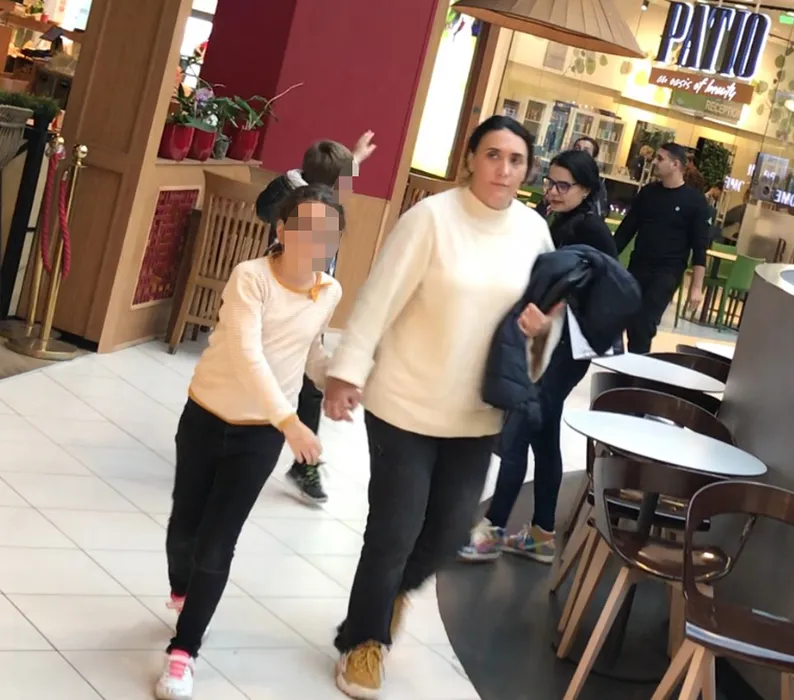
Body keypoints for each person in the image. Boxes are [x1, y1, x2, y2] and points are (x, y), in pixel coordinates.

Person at [322, 115, 562, 699]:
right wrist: (347, 371)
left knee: (451, 529)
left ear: (527, 171)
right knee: (394, 529)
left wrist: (541, 329)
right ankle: (364, 641)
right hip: (404, 402)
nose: (503, 169)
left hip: (476, 412)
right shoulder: (431, 218)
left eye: (516, 160)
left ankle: (389, 597)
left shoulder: (534, 232)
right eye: (493, 155)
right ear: (471, 159)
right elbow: (380, 296)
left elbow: (546, 320)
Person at [155, 185, 345, 700]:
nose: (317, 241)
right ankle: (183, 591)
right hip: (206, 415)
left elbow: (309, 351)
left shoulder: (329, 291)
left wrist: (339, 380)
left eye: (328, 233)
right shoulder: (251, 277)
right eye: (306, 228)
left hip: (259, 436)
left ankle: (184, 650)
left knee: (218, 542)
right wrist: (291, 421)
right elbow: (247, 353)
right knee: (184, 530)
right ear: (282, 230)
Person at [459, 149, 617, 565]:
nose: (553, 191)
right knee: (543, 437)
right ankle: (542, 534)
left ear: (586, 190)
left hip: (566, 349)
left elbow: (603, 292)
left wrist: (559, 312)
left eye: (564, 185)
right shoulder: (557, 221)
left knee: (518, 432)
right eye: (550, 182)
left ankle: (492, 530)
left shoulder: (591, 230)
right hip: (550, 343)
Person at [254, 132, 376, 506]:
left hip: (313, 303)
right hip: (281, 304)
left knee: (308, 385)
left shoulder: (317, 192)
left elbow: (331, 181)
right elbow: (265, 209)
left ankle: (304, 463)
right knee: (261, 373)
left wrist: (354, 157)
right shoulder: (293, 202)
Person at [614, 143, 710, 353]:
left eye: (660, 159)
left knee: (644, 322)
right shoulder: (648, 193)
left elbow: (699, 248)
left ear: (675, 164)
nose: (654, 162)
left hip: (667, 271)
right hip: (639, 265)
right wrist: (607, 259)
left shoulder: (695, 202)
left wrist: (696, 287)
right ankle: (629, 363)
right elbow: (626, 230)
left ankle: (637, 366)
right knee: (627, 317)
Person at [571, 136, 609, 219]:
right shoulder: (562, 174)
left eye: (586, 151)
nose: (580, 152)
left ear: (593, 158)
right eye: (577, 148)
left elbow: (599, 212)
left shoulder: (595, 182)